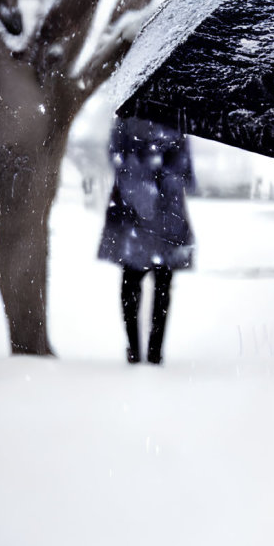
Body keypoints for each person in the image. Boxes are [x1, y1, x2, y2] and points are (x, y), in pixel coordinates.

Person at [98, 115, 196, 364]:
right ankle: (144, 350)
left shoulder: (171, 119)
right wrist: (149, 180)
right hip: (143, 217)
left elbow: (182, 168)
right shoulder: (162, 119)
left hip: (157, 217)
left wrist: (158, 177)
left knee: (151, 283)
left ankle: (148, 351)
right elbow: (117, 156)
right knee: (141, 282)